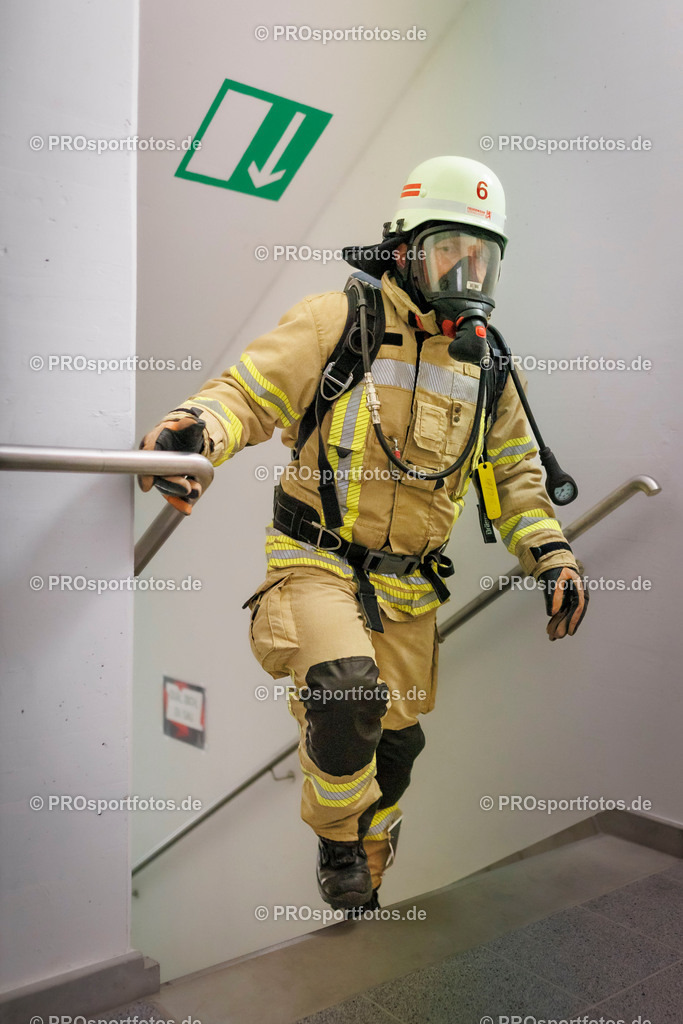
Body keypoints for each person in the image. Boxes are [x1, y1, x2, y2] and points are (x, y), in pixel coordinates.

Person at [138, 155, 588, 914]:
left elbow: (514, 476)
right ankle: (337, 837)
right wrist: (195, 433)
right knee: (347, 692)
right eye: (449, 248)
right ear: (407, 248)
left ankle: (367, 880)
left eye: (483, 257)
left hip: (408, 586)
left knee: (396, 748)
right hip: (313, 559)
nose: (465, 271)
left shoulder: (486, 366)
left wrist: (551, 554)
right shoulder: (334, 322)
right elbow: (245, 395)